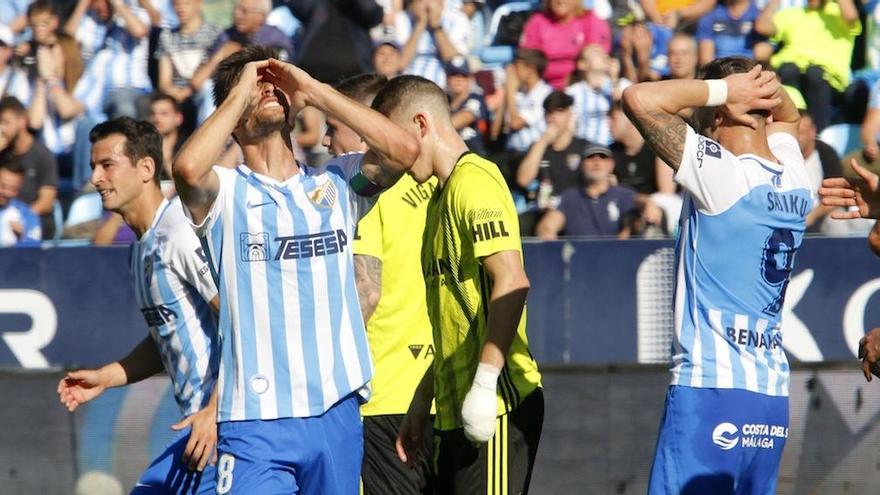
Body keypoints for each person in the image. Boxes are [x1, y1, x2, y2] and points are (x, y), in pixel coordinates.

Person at [171, 45, 419, 493]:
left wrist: (312, 88)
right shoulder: (224, 193)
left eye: (275, 84)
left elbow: (404, 151)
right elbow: (187, 168)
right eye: (255, 87)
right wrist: (242, 88)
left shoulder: (338, 184)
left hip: (336, 412)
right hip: (255, 423)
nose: (268, 89)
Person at [622, 57, 807, 493]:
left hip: (709, 392)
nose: (697, 125)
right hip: (771, 400)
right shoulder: (796, 178)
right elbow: (790, 115)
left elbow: (638, 98)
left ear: (721, 115)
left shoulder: (723, 175)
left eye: (702, 116)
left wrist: (725, 91)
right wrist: (758, 87)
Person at [382, 75, 544, 495]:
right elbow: (454, 321)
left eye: (392, 140)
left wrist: (486, 384)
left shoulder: (475, 180)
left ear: (421, 124)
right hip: (452, 410)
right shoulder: (436, 201)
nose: (391, 157)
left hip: (498, 405)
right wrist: (423, 400)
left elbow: (513, 281)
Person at [57, 117, 220, 494]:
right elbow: (170, 337)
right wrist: (107, 377)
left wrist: (216, 410)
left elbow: (241, 320)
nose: (96, 178)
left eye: (107, 165)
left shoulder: (178, 231)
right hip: (198, 426)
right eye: (93, 167)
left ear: (147, 168)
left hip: (222, 429)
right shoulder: (140, 248)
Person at [322, 72, 436, 495]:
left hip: (384, 396)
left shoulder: (365, 197)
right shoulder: (442, 183)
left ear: (364, 126)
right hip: (440, 389)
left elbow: (365, 292)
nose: (324, 142)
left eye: (332, 128)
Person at [755, 0, 861, 131]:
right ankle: (787, 127)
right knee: (788, 70)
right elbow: (763, 27)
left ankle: (818, 134)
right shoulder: (793, 14)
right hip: (792, 72)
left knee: (814, 74)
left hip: (828, 77)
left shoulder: (837, 14)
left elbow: (851, 16)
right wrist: (774, 3)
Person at [66, 0, 153, 120]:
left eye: (104, 2)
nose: (100, 6)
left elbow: (139, 31)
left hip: (128, 88)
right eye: (96, 2)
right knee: (79, 122)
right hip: (95, 92)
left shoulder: (133, 14)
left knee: (123, 107)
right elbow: (66, 42)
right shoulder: (91, 19)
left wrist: (117, 5)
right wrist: (82, 4)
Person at [535, 144, 642, 239]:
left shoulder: (625, 195)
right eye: (590, 157)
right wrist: (547, 233)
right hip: (579, 258)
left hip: (617, 257)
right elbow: (548, 225)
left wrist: (648, 205)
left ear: (611, 165)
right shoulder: (570, 198)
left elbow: (642, 206)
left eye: (602, 157)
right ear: (582, 164)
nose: (596, 161)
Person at [0, 96, 58, 239]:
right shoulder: (2, 153)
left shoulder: (43, 155)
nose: (2, 128)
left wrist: (22, 218)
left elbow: (46, 202)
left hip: (35, 220)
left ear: (22, 122)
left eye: (6, 122)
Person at [519, 0, 611, 89]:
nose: (560, 1)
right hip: (543, 88)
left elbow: (597, 60)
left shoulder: (591, 21)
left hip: (582, 86)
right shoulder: (537, 22)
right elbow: (526, 60)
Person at [393, 0, 471, 88]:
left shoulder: (458, 18)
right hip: (409, 88)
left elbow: (455, 62)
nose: (426, 3)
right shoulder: (403, 18)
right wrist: (420, 23)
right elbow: (400, 63)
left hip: (443, 89)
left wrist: (435, 25)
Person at [499, 48, 553, 153]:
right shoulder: (519, 93)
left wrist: (510, 90)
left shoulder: (544, 94)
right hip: (511, 152)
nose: (513, 73)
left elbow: (515, 123)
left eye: (517, 67)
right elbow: (498, 129)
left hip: (531, 153)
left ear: (530, 70)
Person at [696, 0, 764, 67]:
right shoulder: (709, 17)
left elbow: (762, 57)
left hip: (751, 71)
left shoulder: (760, 15)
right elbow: (706, 62)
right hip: (720, 72)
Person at [445, 55, 489, 155]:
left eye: (463, 75)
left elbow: (466, 116)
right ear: (447, 78)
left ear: (470, 79)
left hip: (473, 155)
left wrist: (436, 128)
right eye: (454, 74)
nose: (458, 79)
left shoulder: (476, 98)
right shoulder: (444, 100)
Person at [0, 158, 41, 247]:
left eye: (13, 189)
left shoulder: (27, 215)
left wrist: (22, 238)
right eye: (3, 186)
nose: (6, 193)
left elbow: (34, 253)